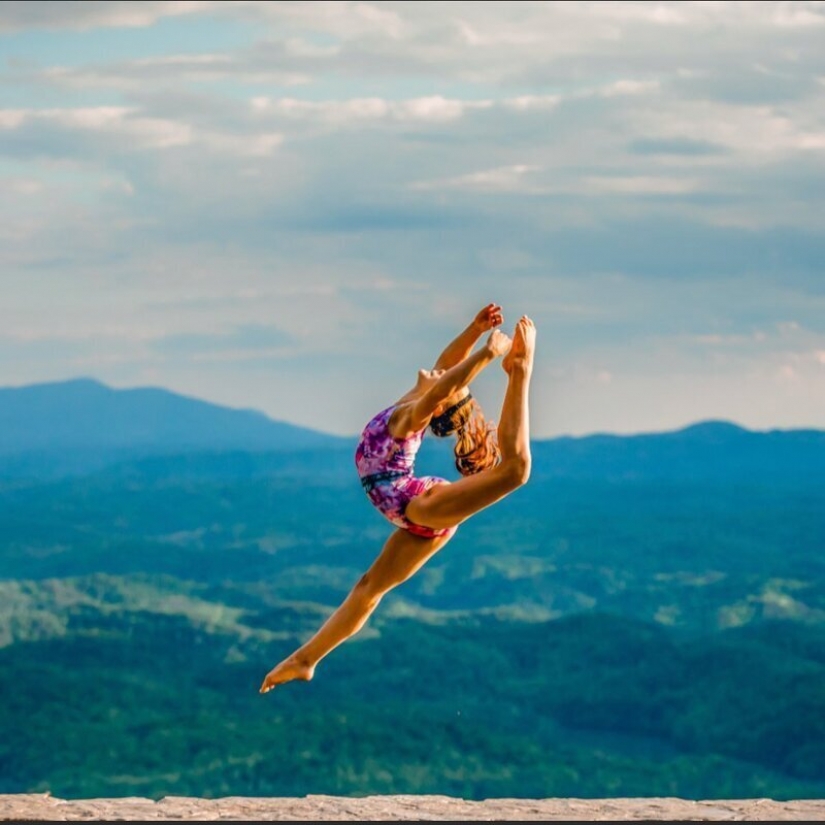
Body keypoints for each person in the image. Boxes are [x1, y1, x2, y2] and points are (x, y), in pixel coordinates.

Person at [259, 305, 536, 693]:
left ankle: (520, 370)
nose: (438, 372)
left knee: (515, 471)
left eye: (446, 383)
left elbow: (442, 384)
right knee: (368, 589)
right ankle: (306, 659)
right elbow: (444, 368)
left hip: (419, 506)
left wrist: (489, 354)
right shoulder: (411, 402)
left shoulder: (410, 418)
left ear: (439, 403)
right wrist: (474, 330)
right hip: (411, 513)